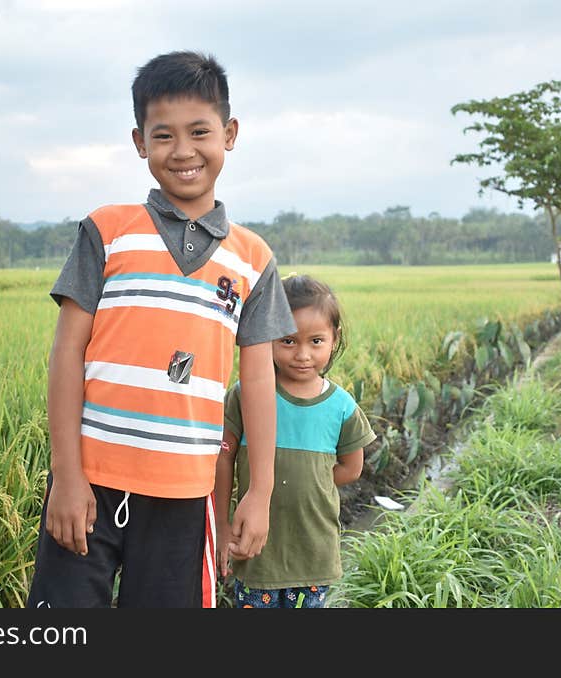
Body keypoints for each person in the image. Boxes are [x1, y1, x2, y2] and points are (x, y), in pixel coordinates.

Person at [26, 50, 296, 608]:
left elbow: (259, 384)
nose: (183, 151)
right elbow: (67, 355)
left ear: (230, 133)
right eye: (163, 135)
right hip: (91, 484)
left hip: (185, 495)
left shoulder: (253, 259)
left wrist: (260, 492)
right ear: (139, 142)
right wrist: (67, 477)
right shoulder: (107, 231)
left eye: (200, 132)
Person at [215, 274, 377, 608]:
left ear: (335, 339)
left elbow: (352, 467)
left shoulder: (341, 406)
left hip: (312, 555)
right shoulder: (245, 396)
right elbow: (223, 458)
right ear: (268, 337)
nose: (302, 354)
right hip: (256, 553)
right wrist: (222, 524)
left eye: (315, 341)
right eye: (288, 341)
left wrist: (310, 478)